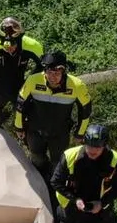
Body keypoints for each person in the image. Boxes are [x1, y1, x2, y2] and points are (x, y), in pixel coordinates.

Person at [14, 50, 92, 179]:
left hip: (60, 133)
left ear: (64, 71)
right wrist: (19, 127)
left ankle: (55, 185)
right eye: (49, 72)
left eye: (56, 73)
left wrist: (80, 133)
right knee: (36, 158)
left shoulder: (77, 85)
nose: (52, 76)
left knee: (58, 162)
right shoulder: (33, 80)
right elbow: (20, 105)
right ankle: (40, 180)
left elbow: (86, 111)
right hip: (35, 130)